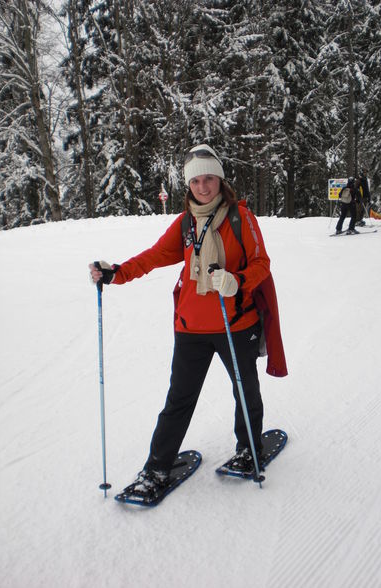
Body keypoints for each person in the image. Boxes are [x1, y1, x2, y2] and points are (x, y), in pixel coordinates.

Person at [89, 143, 287, 498]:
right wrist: (116, 273)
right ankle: (156, 469)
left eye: (209, 178)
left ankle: (248, 448)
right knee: (178, 400)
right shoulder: (184, 224)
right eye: (196, 181)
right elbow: (154, 256)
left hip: (235, 324)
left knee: (245, 392)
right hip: (191, 328)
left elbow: (261, 263)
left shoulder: (241, 219)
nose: (203, 187)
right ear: (189, 185)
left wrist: (236, 280)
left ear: (220, 180)